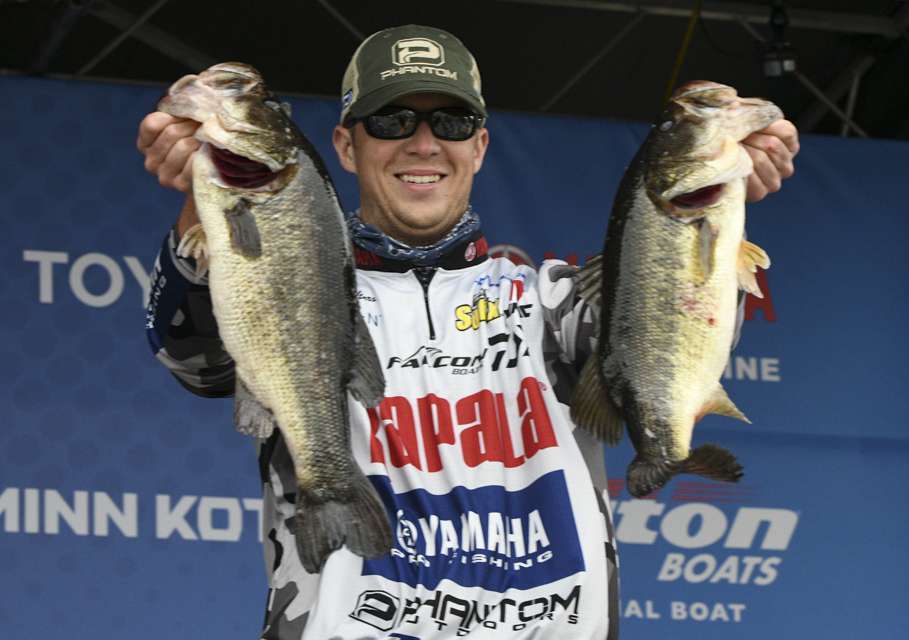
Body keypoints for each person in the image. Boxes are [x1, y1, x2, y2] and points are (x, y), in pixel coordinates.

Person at [138, 24, 798, 640]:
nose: (423, 143)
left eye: (451, 122)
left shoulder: (550, 302)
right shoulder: (300, 294)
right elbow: (195, 361)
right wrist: (206, 201)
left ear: (479, 147)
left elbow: (663, 353)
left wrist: (720, 201)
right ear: (345, 146)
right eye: (392, 120)